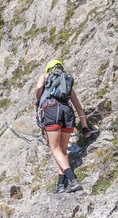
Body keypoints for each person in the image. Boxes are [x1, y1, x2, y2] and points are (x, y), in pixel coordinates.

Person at [35, 59, 91, 193]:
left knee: (55, 148)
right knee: (62, 151)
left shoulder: (45, 76)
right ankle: (61, 184)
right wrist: (84, 127)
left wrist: (38, 100)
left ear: (48, 69)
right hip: (67, 112)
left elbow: (38, 88)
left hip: (51, 110)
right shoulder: (66, 84)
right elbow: (79, 108)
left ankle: (72, 180)